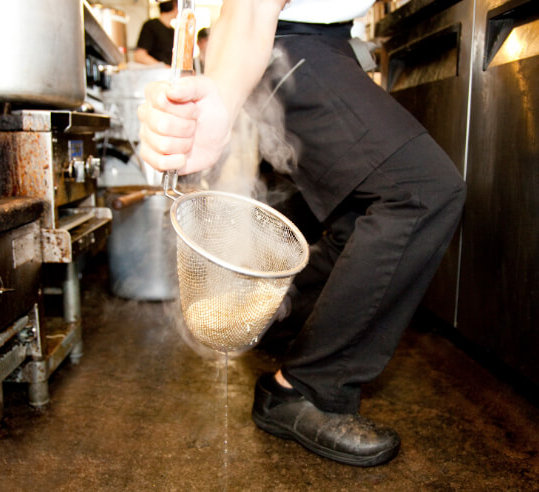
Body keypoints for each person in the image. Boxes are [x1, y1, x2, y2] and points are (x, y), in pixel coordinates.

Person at [137, 0, 466, 467]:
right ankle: (307, 390)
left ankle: (278, 319)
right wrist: (225, 104)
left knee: (358, 219)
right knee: (420, 191)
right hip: (288, 45)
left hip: (323, 44)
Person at [133, 1, 178, 66]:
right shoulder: (150, 25)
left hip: (170, 74)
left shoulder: (174, 31)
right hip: (155, 74)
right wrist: (163, 67)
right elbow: (139, 56)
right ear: (174, 5)